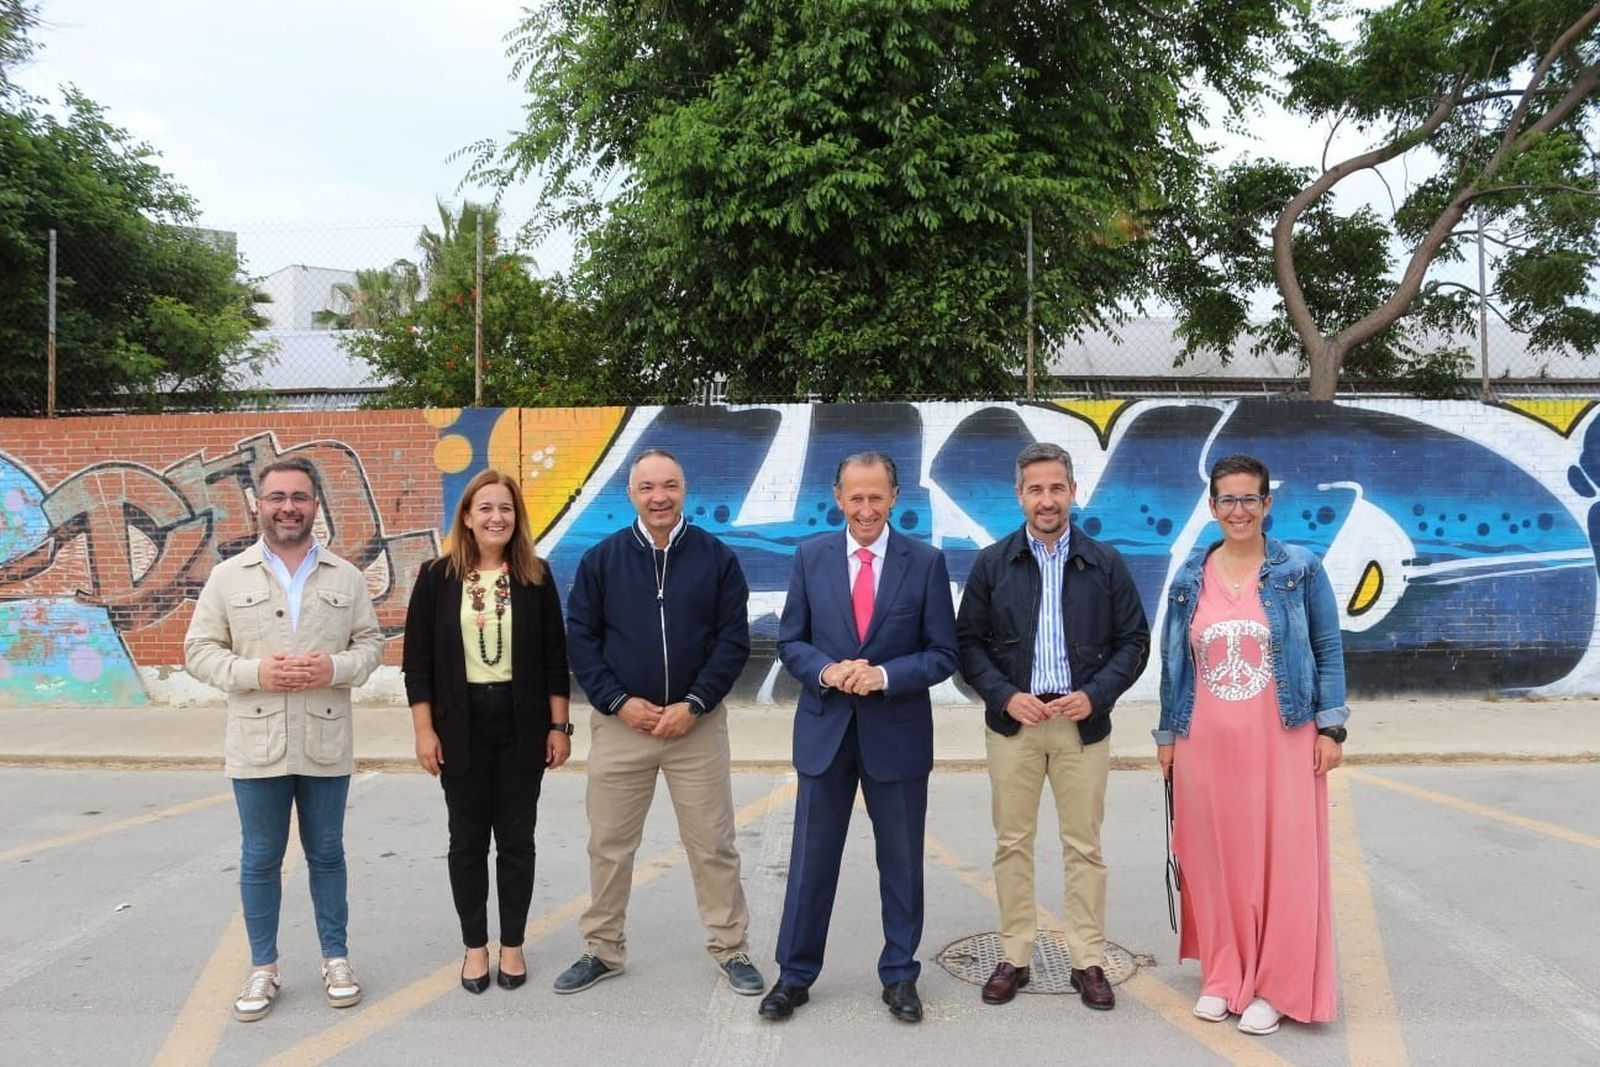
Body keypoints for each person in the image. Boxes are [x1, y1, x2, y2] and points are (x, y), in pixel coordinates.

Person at [553, 448, 764, 997]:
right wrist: (617, 701)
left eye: (669, 485)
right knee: (609, 844)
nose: (659, 497)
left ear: (684, 488)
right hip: (623, 727)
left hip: (696, 727)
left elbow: (732, 641)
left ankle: (731, 947)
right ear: (631, 493)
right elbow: (582, 641)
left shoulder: (716, 558)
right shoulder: (601, 561)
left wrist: (694, 703)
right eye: (647, 487)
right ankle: (602, 948)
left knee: (713, 843)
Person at [759, 451, 959, 1025]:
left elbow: (943, 652)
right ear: (838, 497)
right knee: (811, 861)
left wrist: (885, 676)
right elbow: (791, 640)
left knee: (900, 863)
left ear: (895, 497)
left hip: (896, 734)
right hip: (826, 730)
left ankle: (900, 975)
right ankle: (794, 975)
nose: (866, 508)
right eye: (856, 497)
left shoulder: (923, 562)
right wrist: (826, 671)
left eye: (877, 497)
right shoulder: (810, 557)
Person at [184, 457, 384, 1023]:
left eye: (299, 496)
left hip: (325, 741)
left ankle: (336, 958)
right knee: (260, 859)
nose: (288, 507)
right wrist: (255, 674)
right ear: (257, 504)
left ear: (316, 505)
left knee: (327, 855)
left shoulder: (344, 576)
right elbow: (198, 650)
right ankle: (263, 968)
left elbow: (371, 645)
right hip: (256, 744)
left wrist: (336, 668)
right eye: (276, 497)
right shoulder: (229, 577)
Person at [1155, 453, 1347, 1036]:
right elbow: (1172, 665)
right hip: (1204, 744)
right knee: (1216, 862)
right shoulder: (1190, 576)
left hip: (1283, 739)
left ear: (1267, 505)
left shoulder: (1300, 569)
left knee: (1283, 863)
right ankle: (1223, 973)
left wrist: (1331, 726)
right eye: (1227, 500)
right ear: (1212, 507)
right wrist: (1166, 736)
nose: (1238, 511)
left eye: (1250, 499)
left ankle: (1276, 986)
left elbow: (1328, 646)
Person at [956, 442, 1149, 1011]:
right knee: (1012, 843)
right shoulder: (993, 563)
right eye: (1035, 489)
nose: (1047, 499)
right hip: (1014, 724)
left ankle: (1086, 959)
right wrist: (1004, 696)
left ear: (1072, 491)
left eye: (1056, 487)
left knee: (1083, 846)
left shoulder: (1105, 562)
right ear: (1019, 495)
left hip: (1080, 726)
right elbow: (968, 643)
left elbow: (1134, 641)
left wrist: (1096, 694)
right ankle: (1014, 955)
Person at [403, 469, 572, 994]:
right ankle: (475, 947)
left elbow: (553, 658)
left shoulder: (535, 577)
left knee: (517, 840)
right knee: (467, 841)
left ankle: (513, 945)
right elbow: (418, 661)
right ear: (468, 518)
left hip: (522, 723)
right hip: (460, 724)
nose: (496, 517)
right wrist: (424, 731)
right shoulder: (436, 577)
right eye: (486, 508)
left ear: (516, 518)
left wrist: (559, 725)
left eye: (505, 508)